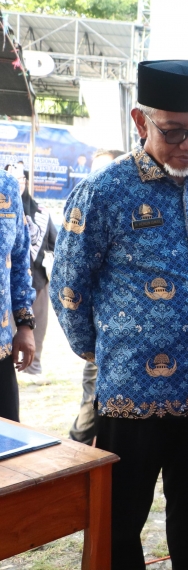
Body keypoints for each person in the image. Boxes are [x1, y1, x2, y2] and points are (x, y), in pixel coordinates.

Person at [50, 60, 188, 570]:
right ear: (139, 120)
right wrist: (105, 353)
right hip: (131, 398)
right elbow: (69, 287)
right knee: (120, 525)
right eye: (173, 132)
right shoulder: (104, 192)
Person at [68, 149, 125, 444]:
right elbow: (70, 282)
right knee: (88, 416)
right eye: (93, 172)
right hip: (100, 341)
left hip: (128, 346)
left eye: (105, 172)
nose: (97, 180)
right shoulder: (84, 215)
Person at [8, 166, 57, 383]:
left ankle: (33, 368)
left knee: (35, 328)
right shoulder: (5, 211)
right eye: (12, 178)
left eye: (20, 179)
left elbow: (55, 243)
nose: (16, 183)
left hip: (37, 279)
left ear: (26, 182)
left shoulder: (41, 213)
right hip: (7, 282)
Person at [0, 165, 35, 421]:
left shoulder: (6, 185)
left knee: (7, 436)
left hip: (0, 350)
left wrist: (25, 324)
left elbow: (20, 259)